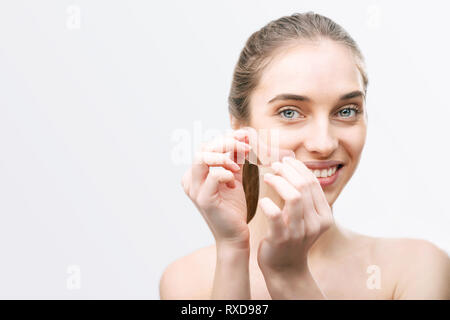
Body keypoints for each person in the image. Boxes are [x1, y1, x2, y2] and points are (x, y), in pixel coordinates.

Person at [160, 12, 450, 300]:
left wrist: (289, 275)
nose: (324, 144)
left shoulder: (416, 269)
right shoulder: (187, 280)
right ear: (241, 128)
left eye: (346, 111)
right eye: (290, 112)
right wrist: (233, 251)